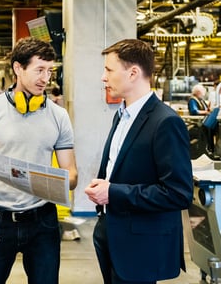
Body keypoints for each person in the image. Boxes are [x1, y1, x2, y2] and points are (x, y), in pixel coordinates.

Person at [0, 36, 78, 284]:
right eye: (39, 70)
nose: (45, 79)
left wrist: (56, 182)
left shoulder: (59, 116)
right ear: (18, 68)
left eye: (49, 71)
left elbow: (72, 174)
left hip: (42, 223)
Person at [84, 39, 193, 284]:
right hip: (112, 232)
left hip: (140, 246)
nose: (103, 77)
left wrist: (113, 192)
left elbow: (178, 193)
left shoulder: (165, 122)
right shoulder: (121, 116)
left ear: (133, 73)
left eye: (109, 70)